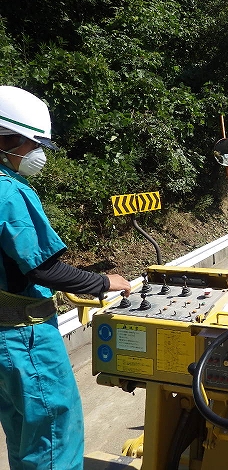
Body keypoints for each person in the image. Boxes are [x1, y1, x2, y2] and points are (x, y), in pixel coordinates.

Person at [0, 86, 131, 469]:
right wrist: (106, 282)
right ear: (9, 139)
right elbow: (43, 268)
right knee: (55, 436)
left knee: (24, 435)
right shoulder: (8, 191)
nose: (38, 153)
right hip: (26, 338)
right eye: (34, 143)